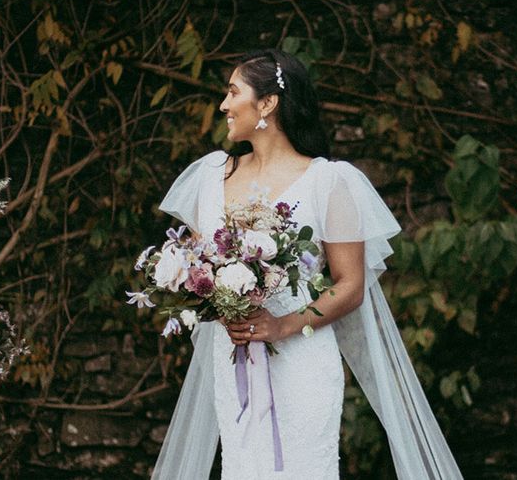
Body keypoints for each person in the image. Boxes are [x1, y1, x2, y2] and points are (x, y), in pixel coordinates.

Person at [151, 49, 463, 480]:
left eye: (232, 92)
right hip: (234, 359)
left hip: (302, 360)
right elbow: (200, 266)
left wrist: (283, 325)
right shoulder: (211, 176)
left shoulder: (329, 182)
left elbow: (350, 284)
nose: (223, 105)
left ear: (267, 104)